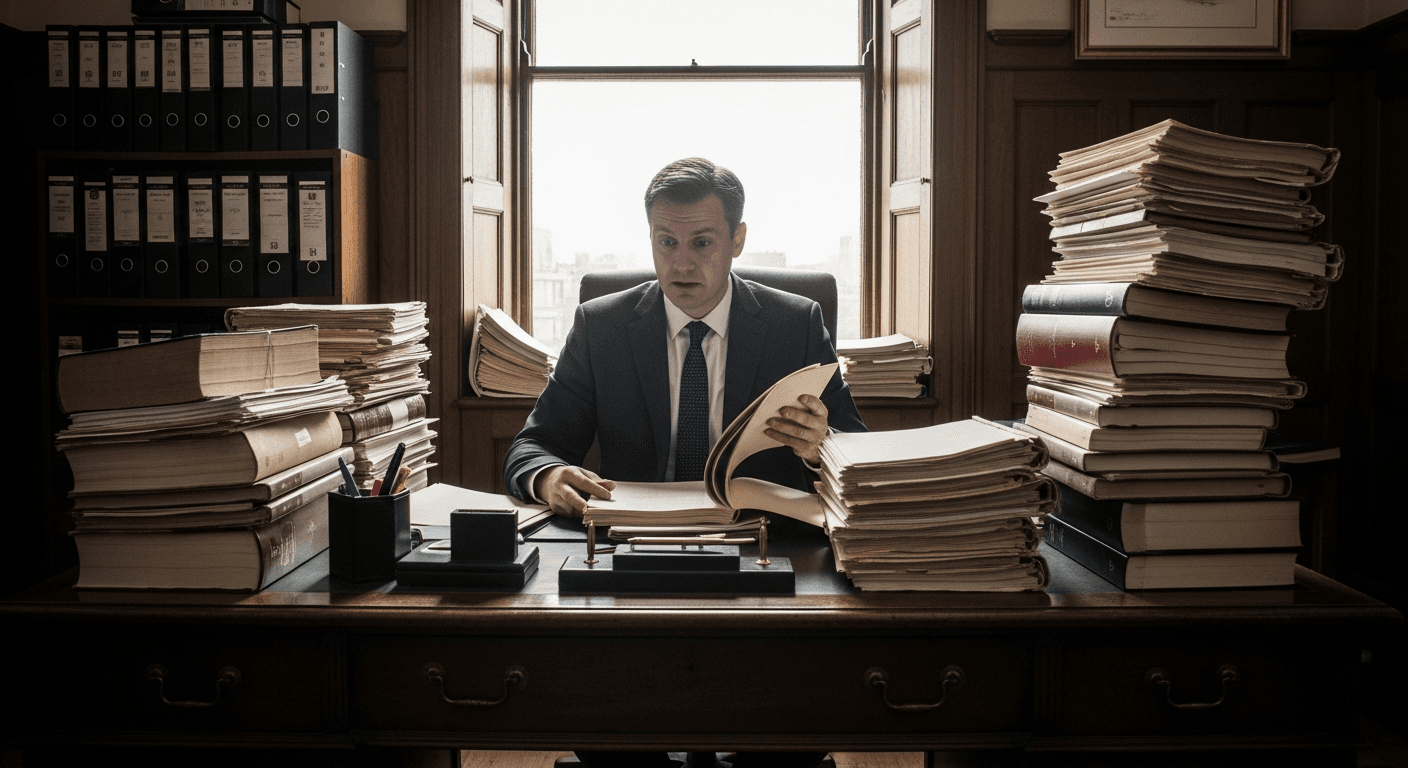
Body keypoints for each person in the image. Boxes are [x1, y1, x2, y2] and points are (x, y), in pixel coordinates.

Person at [503, 158, 864, 768]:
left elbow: (858, 457)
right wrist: (550, 475)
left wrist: (820, 445)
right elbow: (530, 447)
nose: (680, 263)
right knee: (609, 737)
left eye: (702, 242)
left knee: (789, 740)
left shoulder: (794, 323)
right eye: (665, 243)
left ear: (737, 241)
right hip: (636, 563)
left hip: (764, 558)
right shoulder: (603, 326)